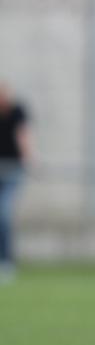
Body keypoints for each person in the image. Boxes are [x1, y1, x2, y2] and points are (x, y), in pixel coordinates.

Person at [0, 81, 32, 282]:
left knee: (3, 213)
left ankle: (6, 261)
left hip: (12, 170)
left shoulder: (17, 111)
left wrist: (28, 158)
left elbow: (23, 136)